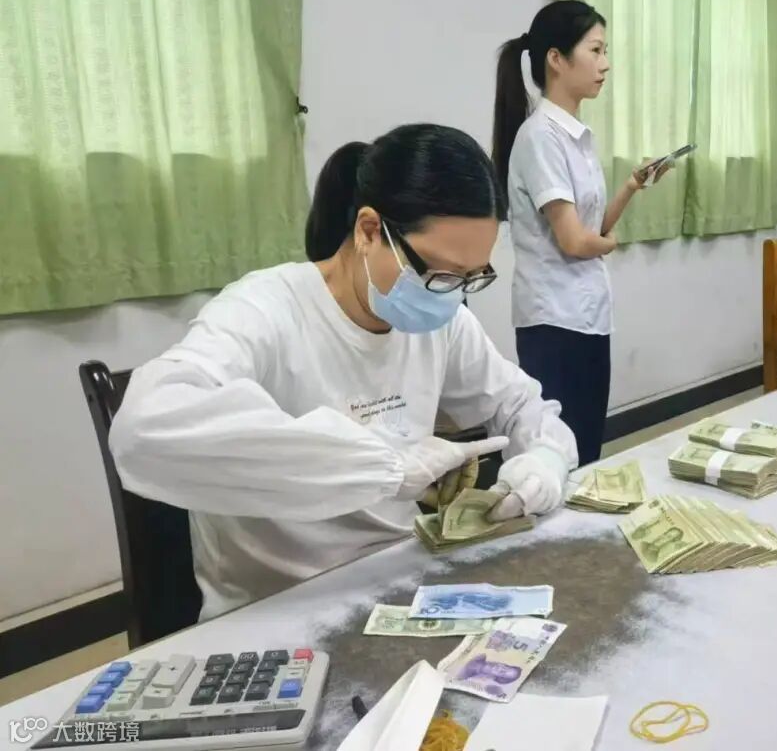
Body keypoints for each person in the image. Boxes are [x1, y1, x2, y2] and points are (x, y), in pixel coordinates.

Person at [110, 127, 578, 620]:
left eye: (470, 277)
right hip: (276, 609)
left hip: (397, 581)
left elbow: (519, 404)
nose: (452, 295)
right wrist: (384, 465)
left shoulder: (444, 321)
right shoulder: (266, 308)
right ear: (369, 230)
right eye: (439, 273)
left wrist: (545, 458)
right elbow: (143, 428)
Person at [491, 0, 668, 465]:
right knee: (560, 455)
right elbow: (575, 241)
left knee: (587, 448)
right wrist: (610, 245)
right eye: (595, 50)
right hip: (554, 320)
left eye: (605, 51)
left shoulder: (574, 135)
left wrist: (631, 186)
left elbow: (592, 228)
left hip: (585, 314)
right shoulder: (541, 136)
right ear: (556, 58)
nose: (605, 64)